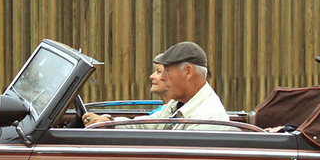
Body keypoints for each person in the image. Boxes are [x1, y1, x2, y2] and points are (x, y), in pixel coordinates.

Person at [82, 41, 229, 131]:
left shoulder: (207, 118)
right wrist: (109, 123)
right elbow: (147, 125)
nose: (162, 77)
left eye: (168, 71)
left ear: (188, 72)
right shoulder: (179, 105)